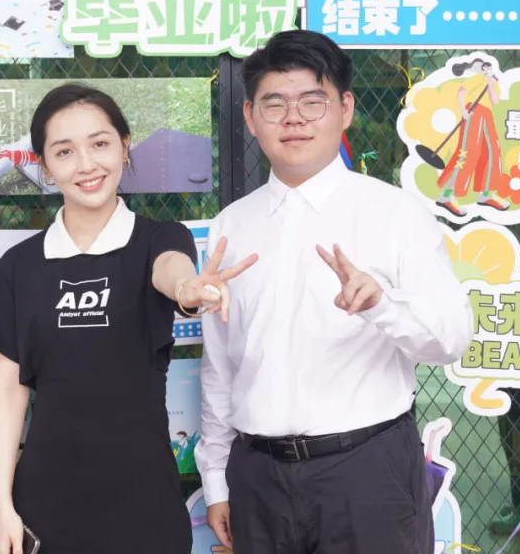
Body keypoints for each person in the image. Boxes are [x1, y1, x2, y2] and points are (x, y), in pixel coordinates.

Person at [195, 30, 473, 554]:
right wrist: (216, 480)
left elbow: (451, 340)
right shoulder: (232, 224)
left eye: (312, 101)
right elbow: (220, 365)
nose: (293, 119)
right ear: (250, 117)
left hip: (366, 473)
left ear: (345, 109)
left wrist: (382, 305)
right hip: (258, 477)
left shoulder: (395, 214)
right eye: (274, 104)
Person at [0, 83, 256, 554]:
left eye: (100, 143)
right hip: (45, 504)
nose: (86, 164)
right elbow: (8, 392)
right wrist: (3, 507)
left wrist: (188, 290)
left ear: (125, 146)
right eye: (64, 151)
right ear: (45, 166)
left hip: (144, 504)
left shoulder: (158, 239)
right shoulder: (17, 268)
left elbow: (171, 272)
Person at [435, 58, 509, 217]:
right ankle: (446, 195)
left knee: (492, 151)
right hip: (474, 112)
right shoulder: (478, 78)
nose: (488, 69)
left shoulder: (492, 82)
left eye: (490, 68)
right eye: (486, 67)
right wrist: (463, 110)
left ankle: (486, 193)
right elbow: (461, 92)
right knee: (468, 152)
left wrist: (490, 84)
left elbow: (495, 101)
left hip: (487, 114)